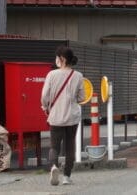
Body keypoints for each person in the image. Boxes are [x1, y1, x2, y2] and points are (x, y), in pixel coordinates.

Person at [41, 46, 86, 187]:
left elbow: (44, 96)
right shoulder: (78, 75)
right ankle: (67, 176)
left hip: (55, 115)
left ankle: (54, 166)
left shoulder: (52, 75)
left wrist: (45, 106)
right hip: (72, 116)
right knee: (70, 146)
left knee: (54, 146)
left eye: (57, 57)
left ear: (62, 59)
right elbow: (82, 97)